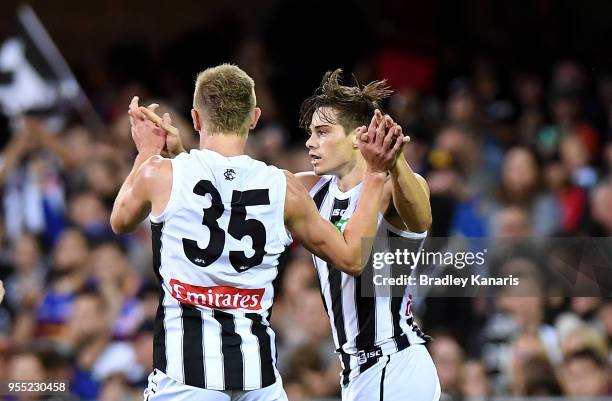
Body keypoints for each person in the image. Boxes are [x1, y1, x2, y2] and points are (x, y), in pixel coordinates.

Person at [111, 64, 404, 401]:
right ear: (254, 118)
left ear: (195, 118)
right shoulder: (283, 187)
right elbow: (352, 258)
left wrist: (148, 150)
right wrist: (376, 175)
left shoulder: (160, 173)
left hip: (184, 375)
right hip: (258, 378)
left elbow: (120, 220)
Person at [295, 69, 440, 401]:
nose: (310, 142)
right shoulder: (311, 189)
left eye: (322, 132)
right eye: (310, 132)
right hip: (358, 370)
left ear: (358, 136)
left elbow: (420, 219)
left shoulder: (390, 185)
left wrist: (396, 160)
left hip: (393, 361)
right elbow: (242, 186)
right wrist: (184, 158)